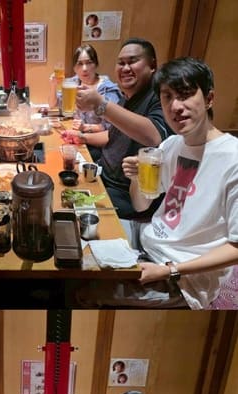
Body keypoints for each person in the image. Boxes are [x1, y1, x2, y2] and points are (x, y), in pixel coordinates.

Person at [78, 57, 238, 308]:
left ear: (209, 98)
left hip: (182, 277)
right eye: (167, 97)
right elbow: (141, 205)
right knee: (76, 242)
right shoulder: (172, 145)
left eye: (185, 94)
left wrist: (170, 270)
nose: (175, 106)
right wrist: (136, 178)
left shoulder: (233, 158)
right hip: (147, 237)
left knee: (82, 293)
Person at [75, 38, 171, 244]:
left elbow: (153, 136)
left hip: (126, 193)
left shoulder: (158, 96)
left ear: (152, 65)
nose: (125, 68)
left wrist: (101, 104)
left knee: (70, 208)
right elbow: (113, 135)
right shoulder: (128, 97)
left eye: (133, 61)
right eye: (121, 63)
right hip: (104, 174)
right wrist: (81, 137)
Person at [50, 45, 120, 162]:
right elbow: (53, 104)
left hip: (98, 146)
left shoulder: (108, 89)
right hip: (77, 137)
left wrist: (87, 127)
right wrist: (53, 85)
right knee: (53, 152)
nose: (84, 68)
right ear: (74, 68)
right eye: (80, 64)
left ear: (96, 64)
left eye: (89, 63)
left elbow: (113, 129)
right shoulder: (73, 83)